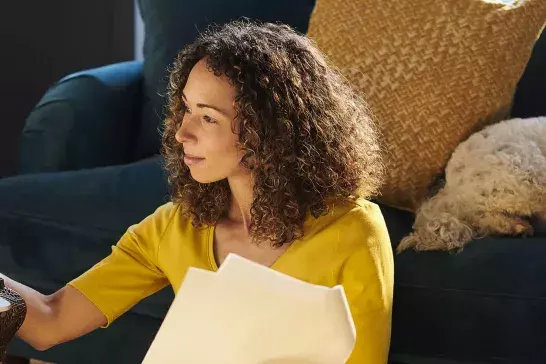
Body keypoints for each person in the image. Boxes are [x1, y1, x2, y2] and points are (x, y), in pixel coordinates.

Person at [0, 21, 393, 363]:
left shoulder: (352, 232)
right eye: (186, 109)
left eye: (208, 117)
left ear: (268, 131)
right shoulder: (174, 228)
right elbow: (50, 321)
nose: (181, 133)